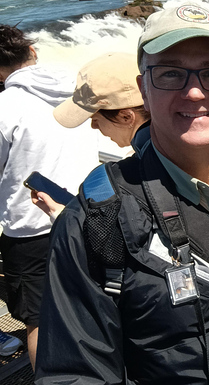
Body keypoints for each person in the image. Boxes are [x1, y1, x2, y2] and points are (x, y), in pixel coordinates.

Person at [36, 4, 209, 384]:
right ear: (143, 87)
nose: (193, 91)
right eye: (170, 74)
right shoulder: (96, 222)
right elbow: (75, 374)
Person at [0, 24, 98, 370]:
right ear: (33, 52)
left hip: (31, 230)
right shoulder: (76, 89)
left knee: (40, 320)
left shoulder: (4, 107)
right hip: (91, 215)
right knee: (93, 307)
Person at [30, 52, 150, 220]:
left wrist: (64, 219)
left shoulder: (136, 175)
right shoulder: (177, 147)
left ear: (126, 117)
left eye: (95, 119)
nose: (93, 126)